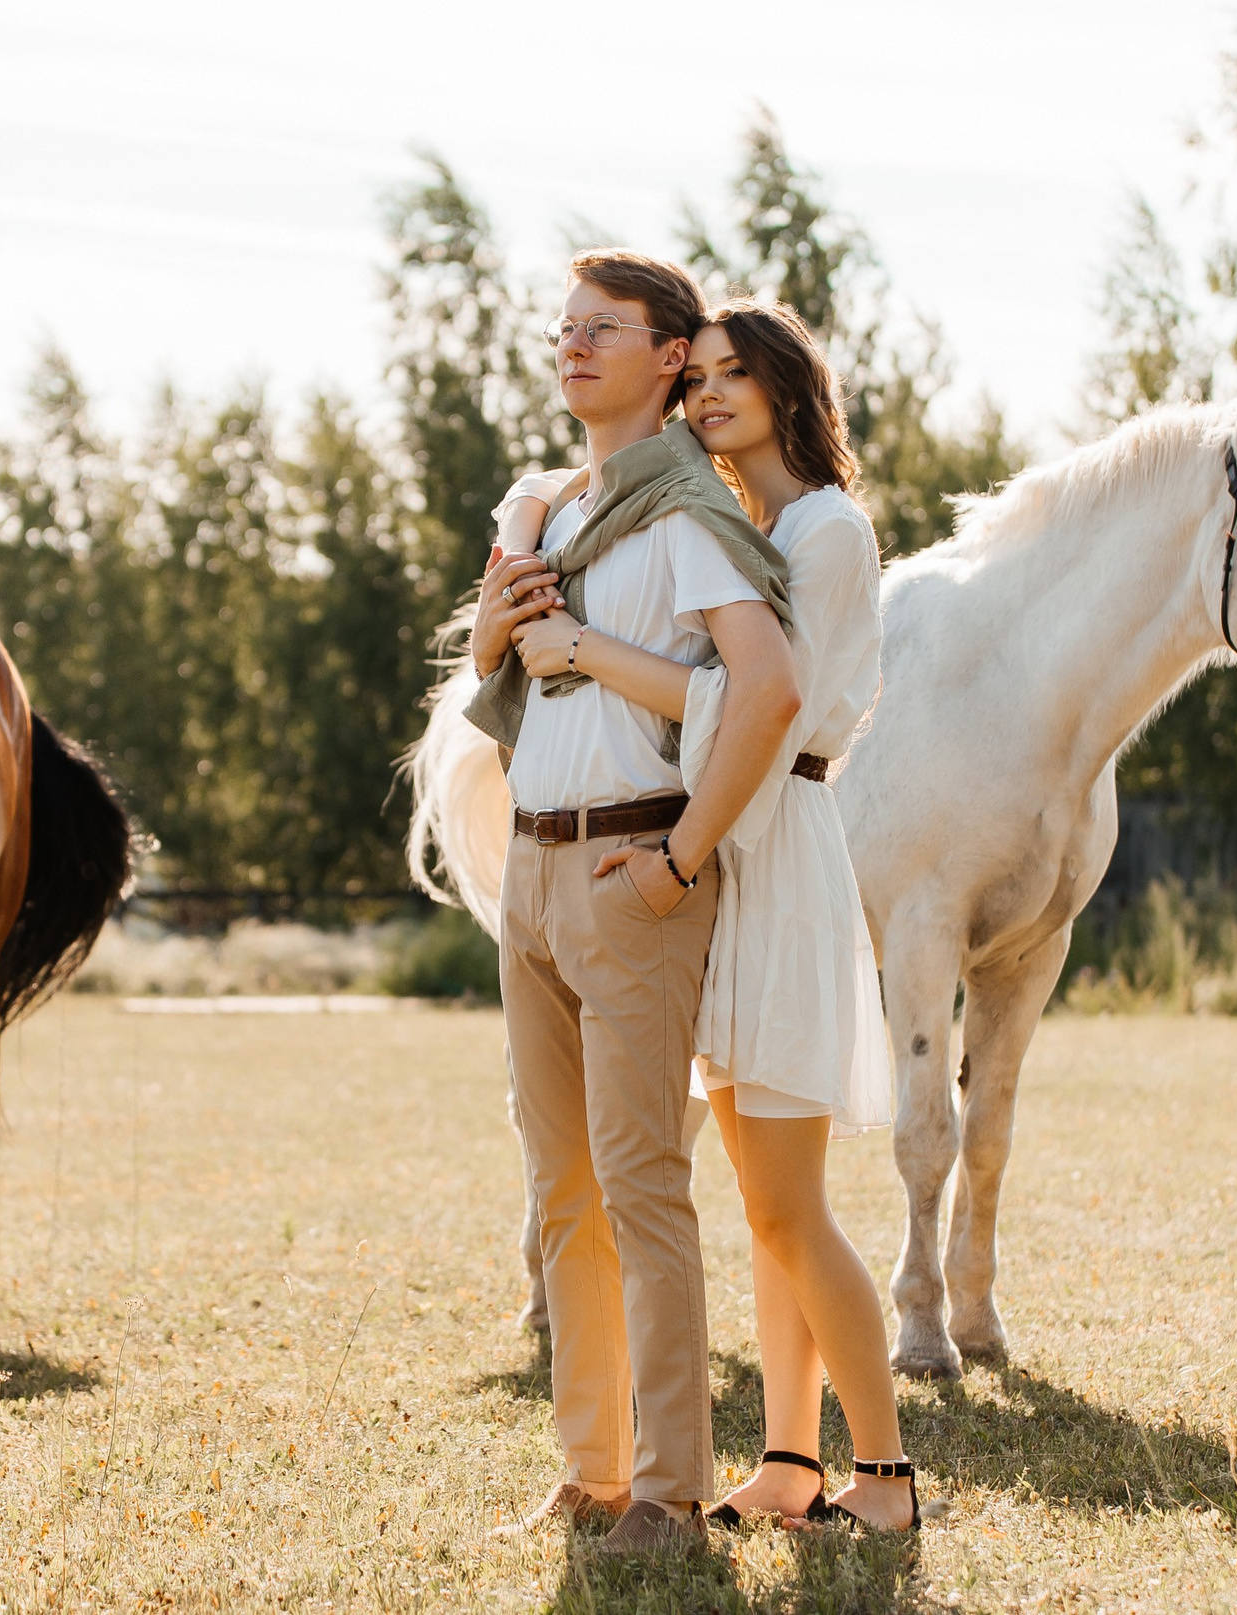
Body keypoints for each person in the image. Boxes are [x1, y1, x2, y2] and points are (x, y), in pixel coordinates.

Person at [503, 299, 924, 1532]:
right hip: (729, 846)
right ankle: (790, 1462)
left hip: (774, 848)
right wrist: (532, 526)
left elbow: (762, 709)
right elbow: (559, 485)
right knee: (760, 1200)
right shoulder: (752, 521)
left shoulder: (828, 531)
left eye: (738, 376)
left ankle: (887, 1478)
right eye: (707, 382)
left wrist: (582, 647)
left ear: (792, 388)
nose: (712, 400)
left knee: (788, 1201)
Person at [466, 253, 803, 1556]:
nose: (572, 345)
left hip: (634, 865)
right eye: (563, 328)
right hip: (537, 869)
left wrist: (680, 858)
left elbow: (760, 690)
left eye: (602, 329)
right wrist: (495, 628)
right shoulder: (546, 508)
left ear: (672, 356)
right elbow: (500, 678)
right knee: (562, 1192)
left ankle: (668, 1492)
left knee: (643, 1187)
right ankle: (591, 1473)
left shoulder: (686, 510)